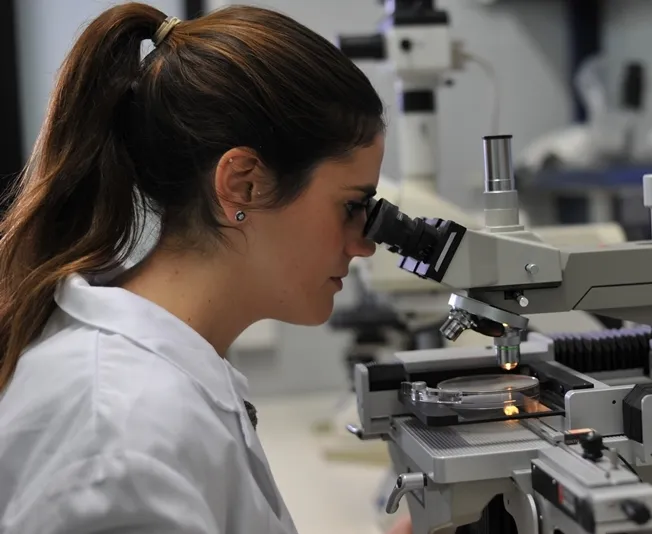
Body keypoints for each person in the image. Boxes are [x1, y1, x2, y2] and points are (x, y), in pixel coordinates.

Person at [0, 4, 411, 534]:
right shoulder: (121, 441)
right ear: (242, 184)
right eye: (352, 205)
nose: (365, 245)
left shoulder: (167, 376)